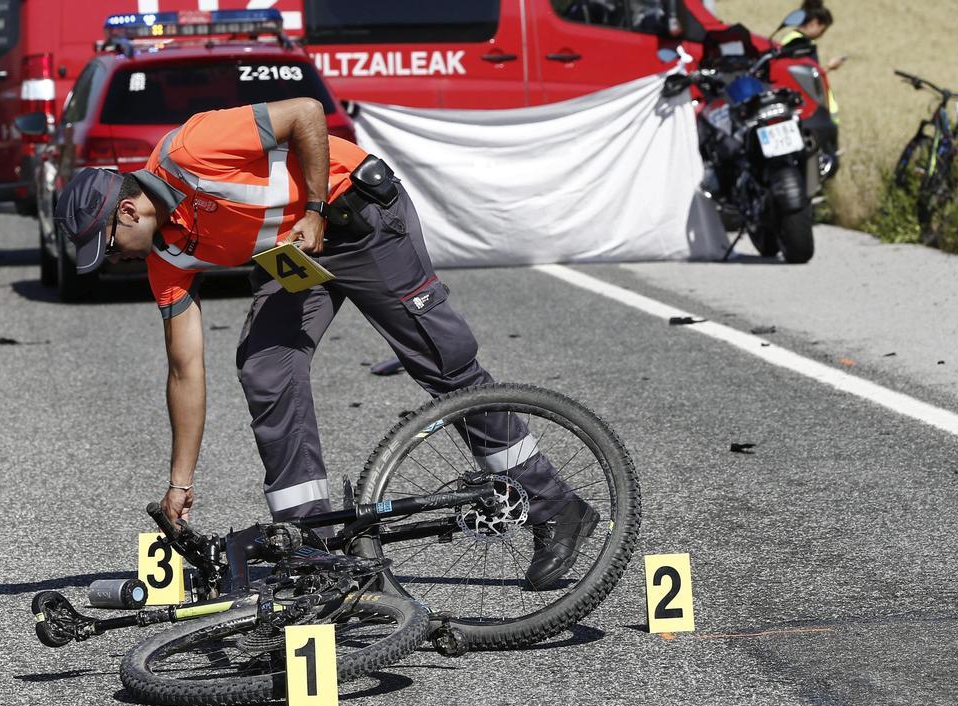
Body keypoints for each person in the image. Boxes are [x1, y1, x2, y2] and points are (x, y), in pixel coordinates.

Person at [53, 98, 597, 589]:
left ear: (128, 211)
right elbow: (184, 370)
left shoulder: (191, 148)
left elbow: (306, 113)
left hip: (354, 216)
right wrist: (179, 482)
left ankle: (554, 504)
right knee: (265, 370)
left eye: (111, 247)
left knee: (442, 361)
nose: (117, 259)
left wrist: (312, 210)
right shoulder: (164, 257)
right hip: (297, 258)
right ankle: (313, 552)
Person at [780, 0, 845, 74]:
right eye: (822, 30)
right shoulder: (802, 44)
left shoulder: (791, 38)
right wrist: (829, 67)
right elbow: (808, 77)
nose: (821, 36)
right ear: (814, 23)